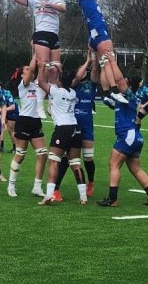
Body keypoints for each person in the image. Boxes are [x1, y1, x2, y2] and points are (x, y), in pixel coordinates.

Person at [95, 49, 148, 207]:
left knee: (114, 164)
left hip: (127, 135)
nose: (121, 80)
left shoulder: (130, 96)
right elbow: (105, 88)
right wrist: (104, 66)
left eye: (125, 81)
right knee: (135, 169)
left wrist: (112, 61)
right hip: (135, 137)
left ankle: (113, 199)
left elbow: (118, 79)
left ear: (129, 85)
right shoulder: (121, 99)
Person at [11, 0, 66, 112]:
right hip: (41, 33)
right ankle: (40, 103)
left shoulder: (55, 1)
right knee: (43, 65)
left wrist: (49, 4)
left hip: (54, 35)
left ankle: (52, 104)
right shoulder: (35, 1)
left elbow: (63, 9)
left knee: (55, 70)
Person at [77, 0, 128, 105]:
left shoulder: (91, 3)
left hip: (94, 36)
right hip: (100, 34)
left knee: (104, 63)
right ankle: (114, 91)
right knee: (110, 61)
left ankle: (106, 93)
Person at [37, 67, 89, 205]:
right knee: (76, 163)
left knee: (54, 161)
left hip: (62, 129)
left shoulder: (57, 91)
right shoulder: (73, 92)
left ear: (60, 81)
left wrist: (41, 65)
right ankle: (83, 197)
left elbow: (41, 82)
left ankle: (48, 195)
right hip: (76, 129)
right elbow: (76, 78)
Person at [52, 52, 100, 201]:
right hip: (71, 126)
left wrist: (93, 59)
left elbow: (94, 72)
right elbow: (76, 77)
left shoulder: (91, 83)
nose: (82, 70)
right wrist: (86, 61)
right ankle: (56, 189)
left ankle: (90, 183)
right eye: (80, 69)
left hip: (86, 127)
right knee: (66, 159)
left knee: (88, 158)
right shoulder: (73, 86)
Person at [6, 59, 48, 198]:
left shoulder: (38, 84)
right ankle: (11, 185)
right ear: (23, 75)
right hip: (24, 121)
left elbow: (43, 72)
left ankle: (37, 187)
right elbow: (31, 69)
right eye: (27, 71)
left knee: (42, 155)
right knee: (20, 155)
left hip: (36, 122)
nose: (30, 71)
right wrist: (35, 54)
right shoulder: (23, 86)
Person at [0, 80, 18, 154]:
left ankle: (16, 148)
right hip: (4, 110)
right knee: (1, 128)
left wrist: (2, 110)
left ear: (1, 87)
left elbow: (13, 107)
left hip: (12, 112)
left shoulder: (7, 93)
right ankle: (1, 147)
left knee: (10, 130)